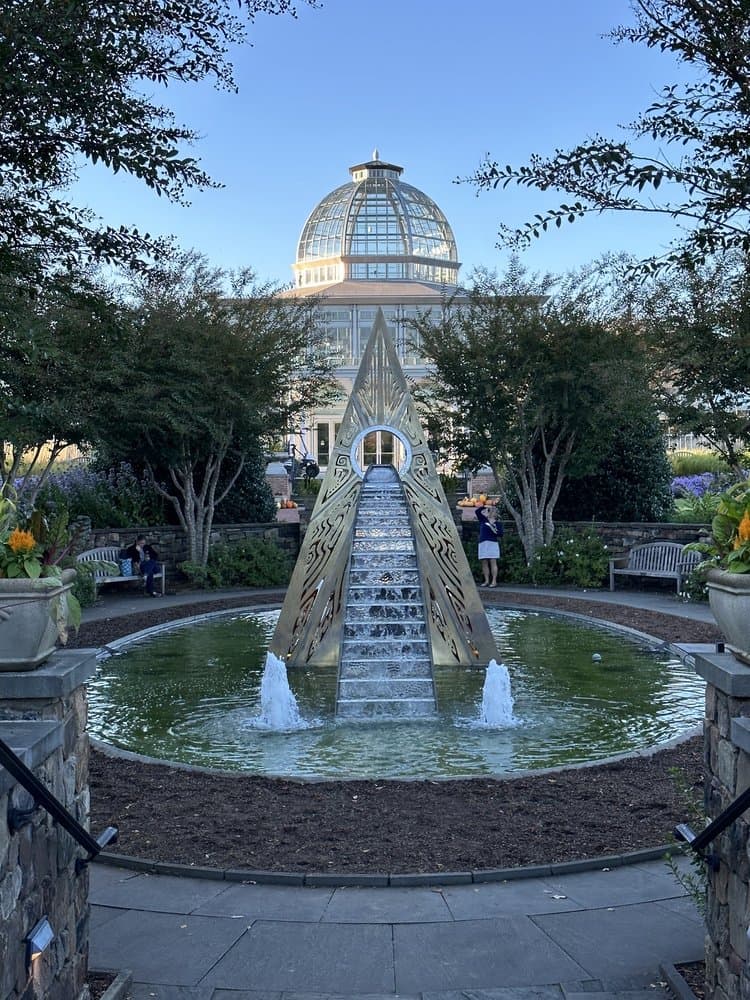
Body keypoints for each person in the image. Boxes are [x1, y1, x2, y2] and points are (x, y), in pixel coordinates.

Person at [475, 504, 503, 588]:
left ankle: (494, 581)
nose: (492, 512)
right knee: (484, 562)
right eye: (491, 510)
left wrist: (494, 529)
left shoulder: (497, 524)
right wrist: (485, 506)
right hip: (483, 543)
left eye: (494, 511)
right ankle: (486, 580)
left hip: (492, 543)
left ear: (496, 514)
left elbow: (501, 534)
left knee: (493, 561)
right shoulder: (483, 520)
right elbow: (477, 511)